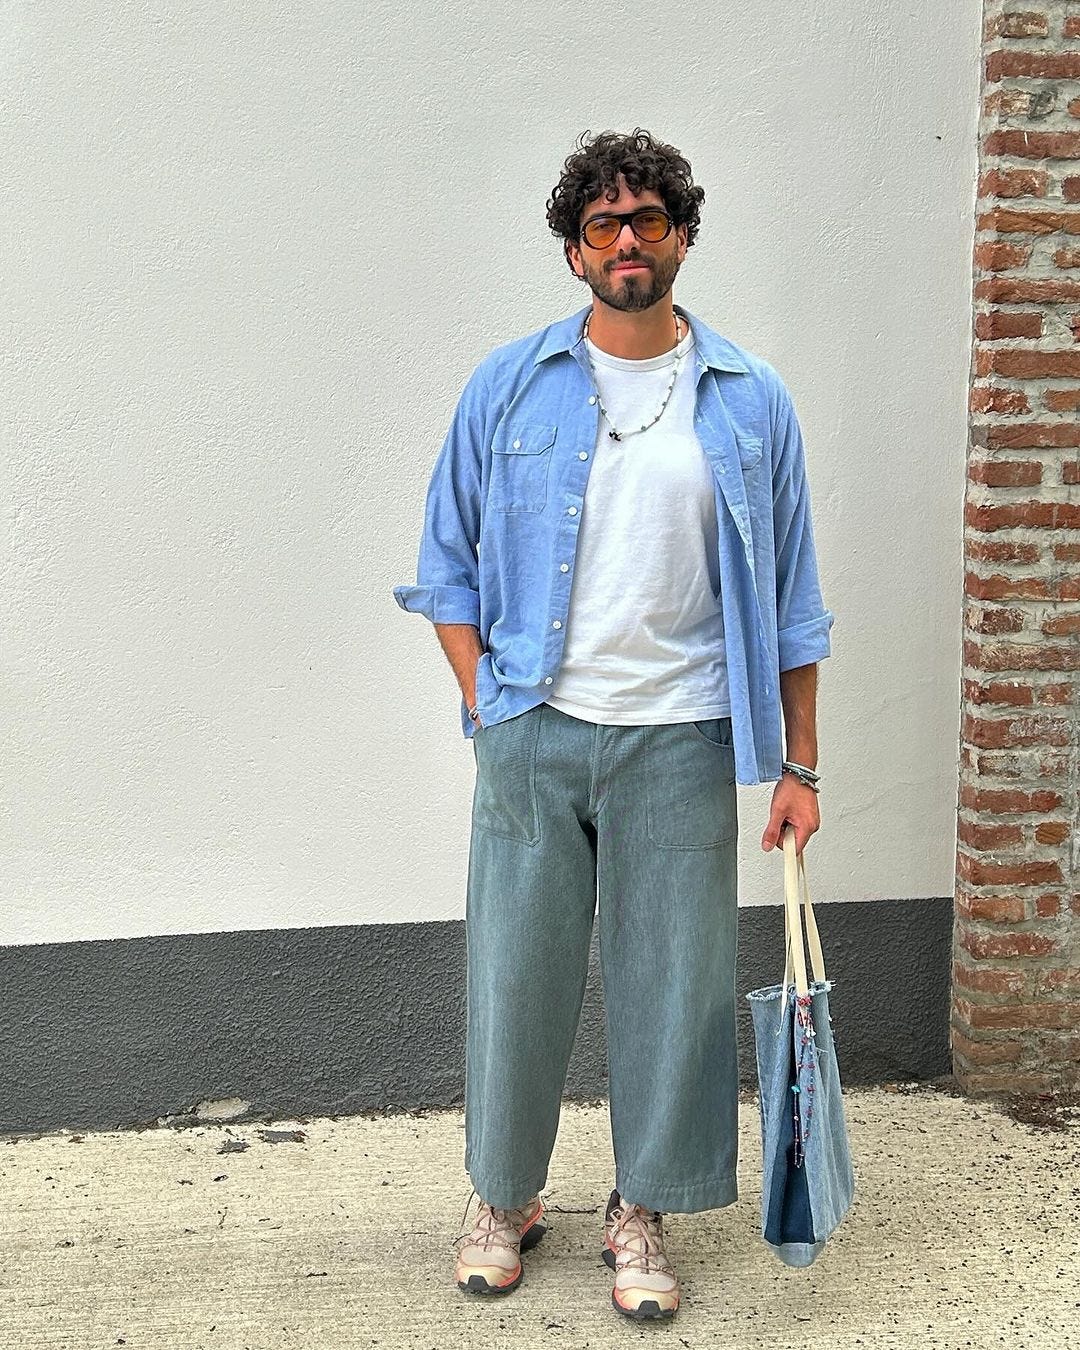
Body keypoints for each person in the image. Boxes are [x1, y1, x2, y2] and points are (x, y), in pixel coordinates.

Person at [393, 127, 834, 1322]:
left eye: (648, 220)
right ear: (575, 249)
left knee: (676, 988)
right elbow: (446, 561)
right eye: (603, 223)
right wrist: (482, 698)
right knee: (515, 976)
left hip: (683, 737)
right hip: (537, 728)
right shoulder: (508, 384)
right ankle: (505, 1196)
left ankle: (642, 1206)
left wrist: (797, 763)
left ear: (683, 236)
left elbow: (794, 601)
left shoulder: (750, 402)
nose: (627, 240)